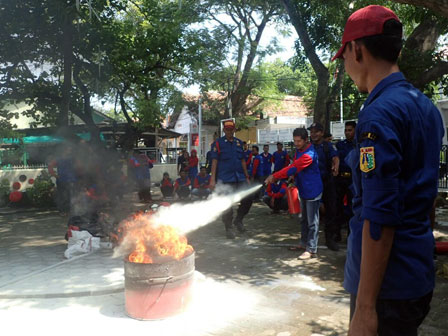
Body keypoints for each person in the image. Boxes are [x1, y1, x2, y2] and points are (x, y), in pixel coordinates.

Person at [332, 5, 444, 335]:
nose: (346, 65)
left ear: (357, 49)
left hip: (386, 289)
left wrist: (365, 309)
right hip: (417, 275)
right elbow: (428, 196)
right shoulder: (425, 107)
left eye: (344, 56)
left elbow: (379, 214)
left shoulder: (378, 114)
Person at [265, 128, 323, 260]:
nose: (296, 143)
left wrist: (275, 176)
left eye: (299, 141)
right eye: (295, 140)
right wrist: (292, 179)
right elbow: (295, 169)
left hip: (313, 190)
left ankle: (311, 249)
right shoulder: (299, 150)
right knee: (303, 219)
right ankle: (303, 244)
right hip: (303, 189)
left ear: (305, 140)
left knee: (312, 221)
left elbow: (293, 167)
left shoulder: (309, 154)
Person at [209, 119, 252, 239]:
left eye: (231, 129)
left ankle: (238, 220)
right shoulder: (218, 144)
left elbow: (243, 160)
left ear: (234, 130)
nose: (229, 132)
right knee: (227, 204)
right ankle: (228, 227)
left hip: (240, 177)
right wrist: (212, 179)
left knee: (249, 198)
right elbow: (214, 161)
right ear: (224, 130)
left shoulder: (239, 143)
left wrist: (247, 177)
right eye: (227, 130)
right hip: (225, 179)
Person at [308, 121, 340, 251]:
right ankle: (310, 241)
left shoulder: (327, 146)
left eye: (316, 131)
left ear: (321, 133)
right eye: (312, 132)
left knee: (331, 210)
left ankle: (330, 239)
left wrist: (336, 165)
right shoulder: (308, 147)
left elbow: (335, 157)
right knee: (312, 213)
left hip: (327, 182)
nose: (313, 134)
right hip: (313, 183)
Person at [335, 121, 356, 241]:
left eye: (350, 130)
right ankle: (337, 234)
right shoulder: (340, 145)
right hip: (341, 179)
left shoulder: (359, 145)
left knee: (352, 208)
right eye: (346, 130)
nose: (347, 132)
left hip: (353, 180)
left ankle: (350, 235)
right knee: (338, 207)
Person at [48, 146, 78, 216]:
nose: (70, 151)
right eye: (68, 150)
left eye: (70, 150)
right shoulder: (60, 159)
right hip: (64, 180)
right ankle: (63, 211)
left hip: (70, 180)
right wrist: (55, 175)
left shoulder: (72, 159)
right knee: (64, 196)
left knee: (70, 196)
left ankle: (68, 211)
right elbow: (50, 166)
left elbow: (78, 167)